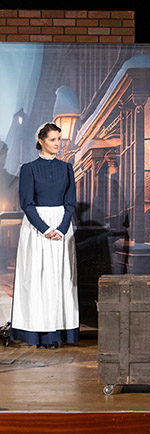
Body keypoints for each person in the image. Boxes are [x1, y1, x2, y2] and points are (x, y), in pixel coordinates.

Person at [10, 122, 78, 349]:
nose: (57, 144)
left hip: (61, 227)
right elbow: (26, 203)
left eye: (59, 139)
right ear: (41, 141)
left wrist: (61, 228)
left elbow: (70, 202)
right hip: (36, 228)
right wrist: (45, 229)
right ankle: (38, 333)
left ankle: (56, 332)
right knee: (37, 278)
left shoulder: (66, 168)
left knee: (59, 277)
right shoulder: (28, 169)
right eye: (52, 139)